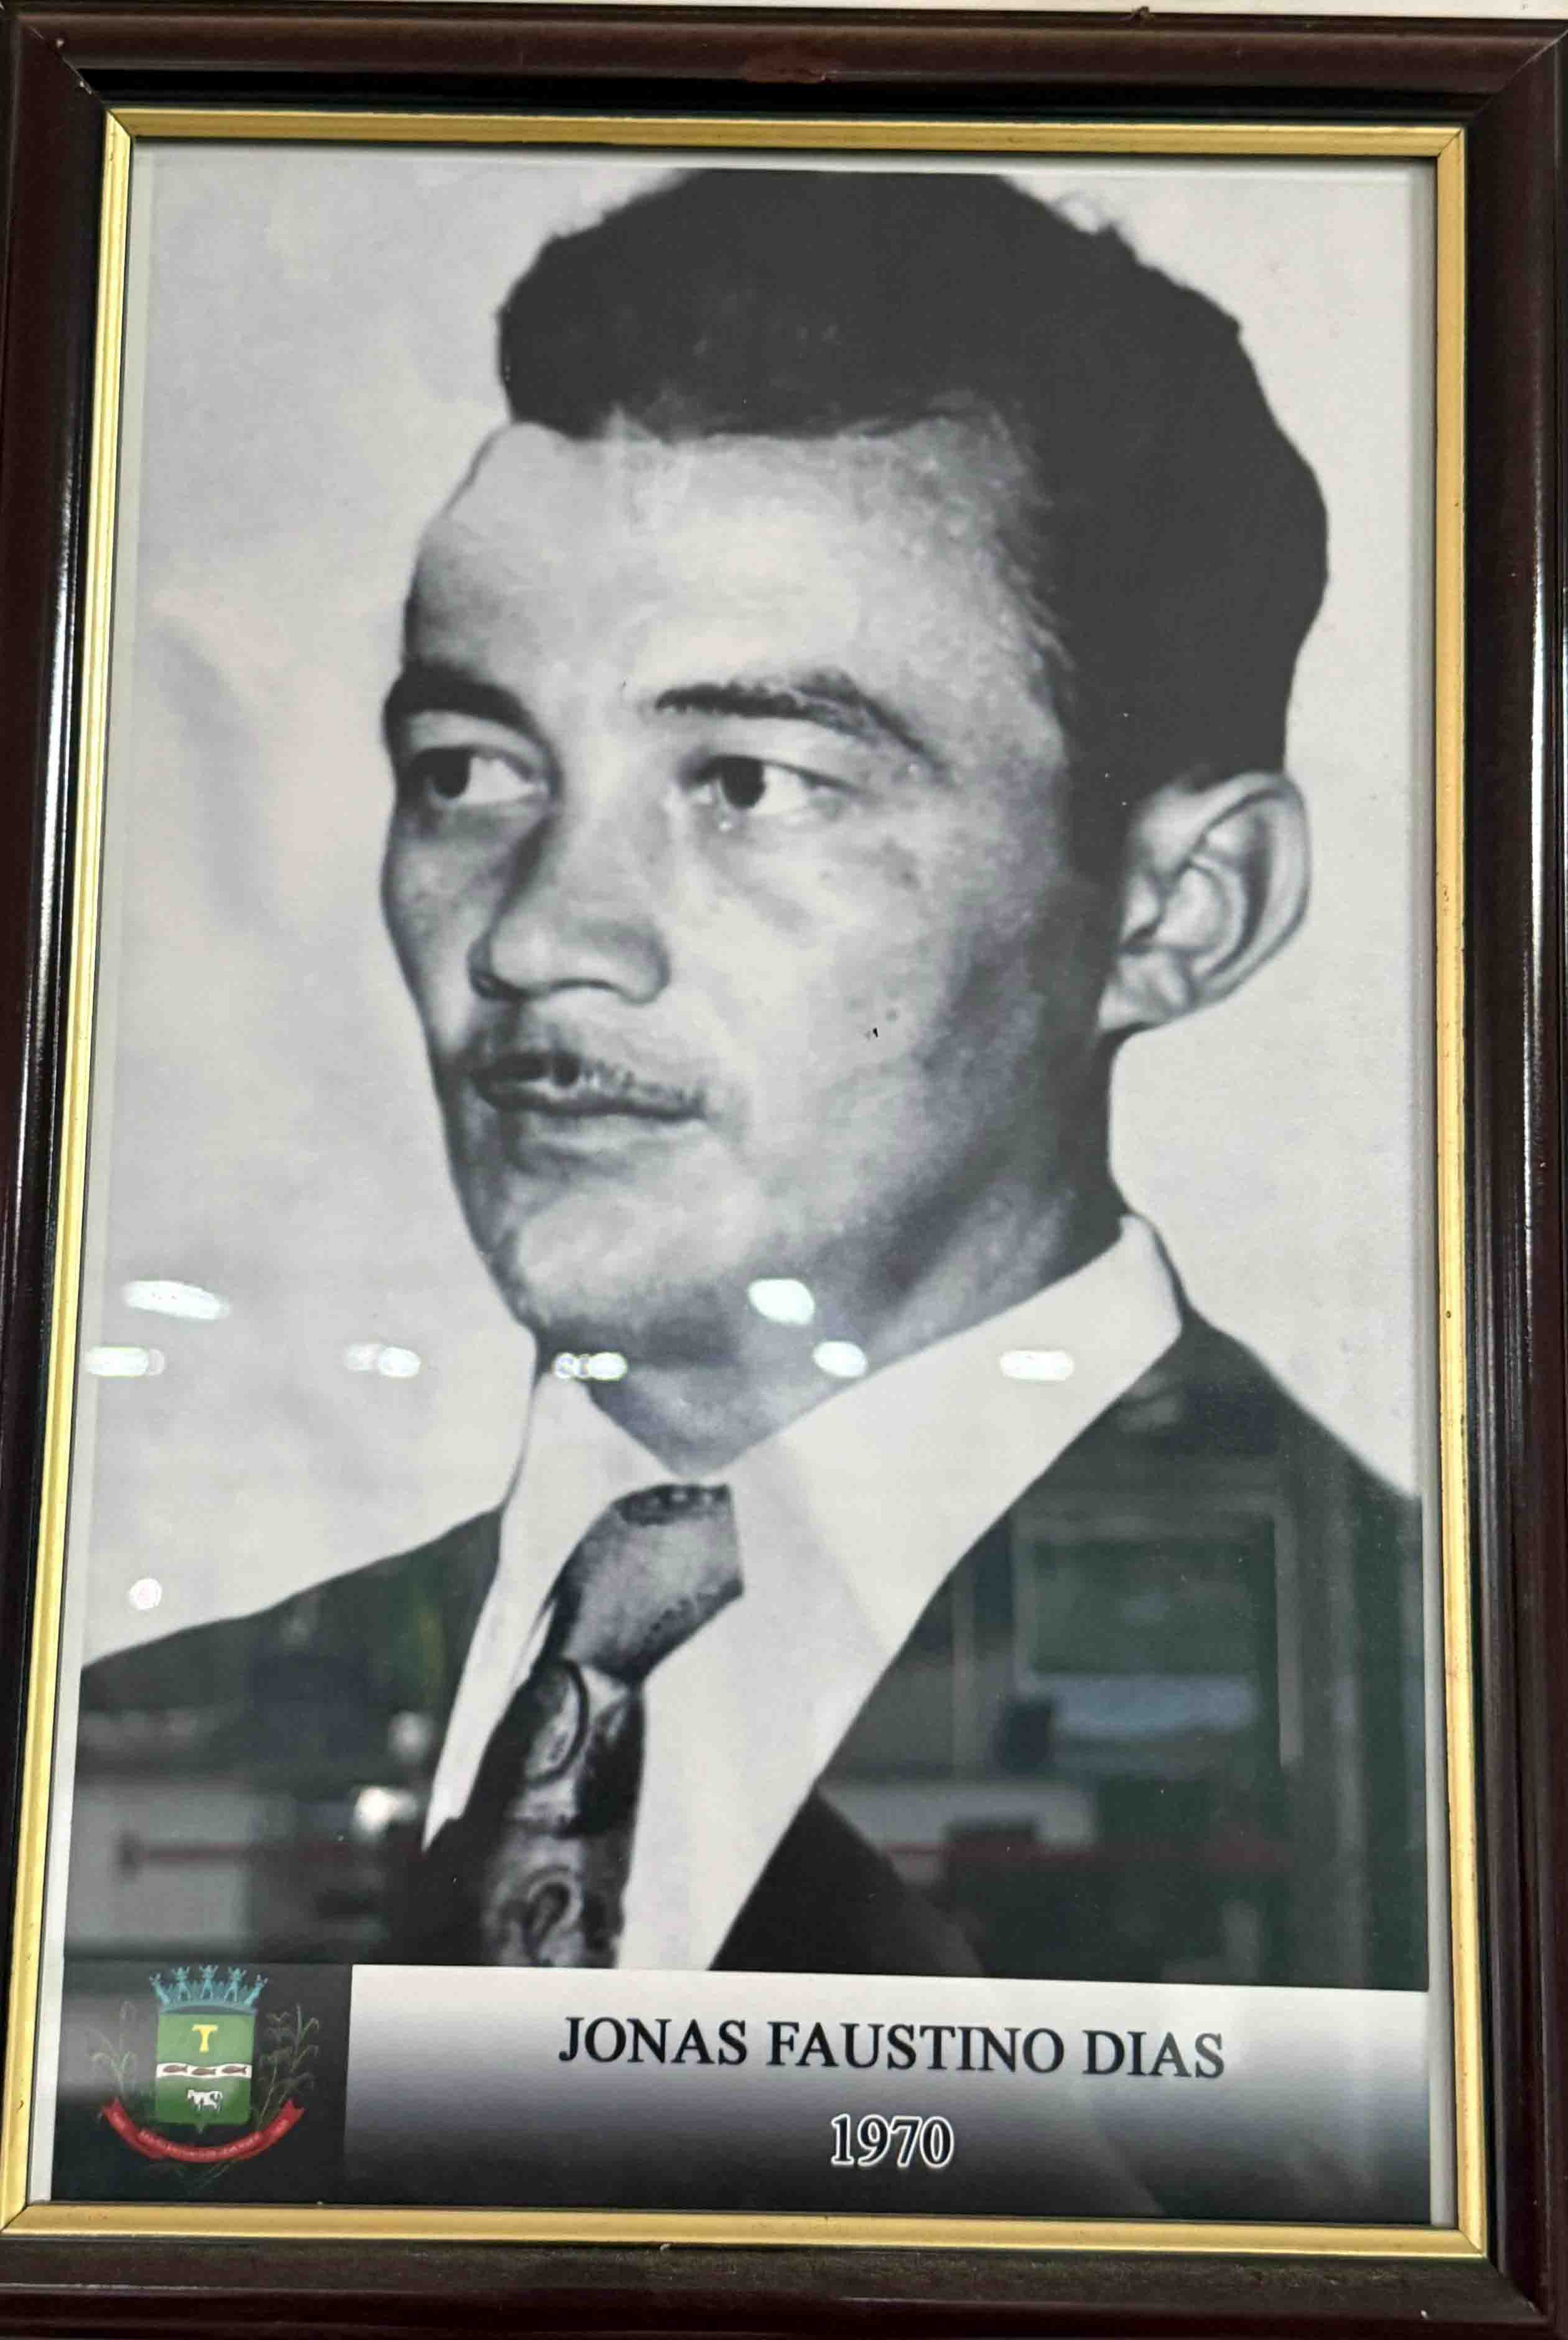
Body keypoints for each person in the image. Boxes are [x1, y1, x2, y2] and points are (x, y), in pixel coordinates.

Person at [74, 169, 1425, 1989]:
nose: (537, 937)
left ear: (1182, 910)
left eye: (749, 784)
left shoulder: (1437, 1748)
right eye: (472, 770)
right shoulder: (132, 1761)